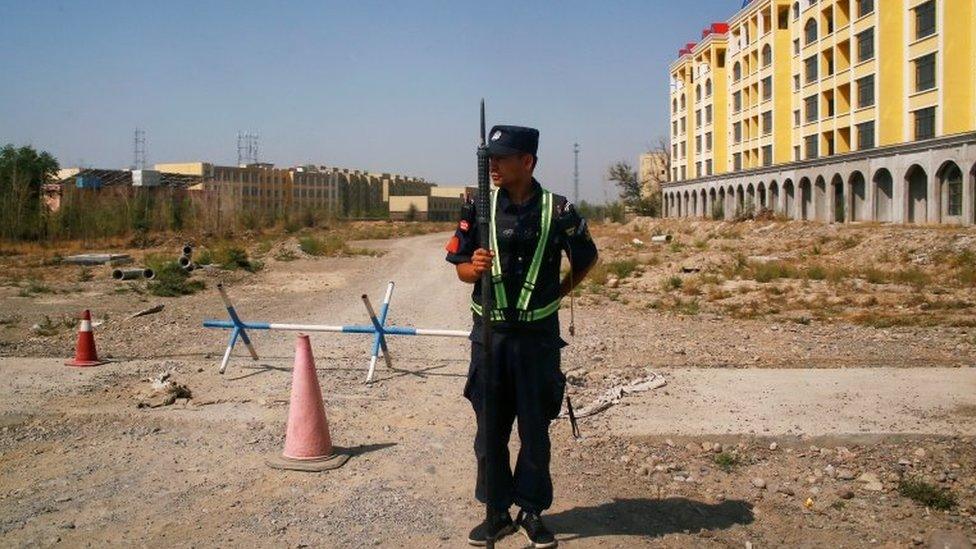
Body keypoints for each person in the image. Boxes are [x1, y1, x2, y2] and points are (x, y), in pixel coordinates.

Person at [445, 125, 598, 548]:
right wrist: (472, 269)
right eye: (489, 157)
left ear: (527, 161)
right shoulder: (478, 207)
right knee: (490, 430)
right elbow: (458, 266)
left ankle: (531, 510)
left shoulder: (558, 210)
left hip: (537, 340)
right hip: (490, 337)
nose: (492, 164)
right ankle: (496, 513)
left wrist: (555, 294)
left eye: (502, 157)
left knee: (534, 429)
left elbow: (587, 259)